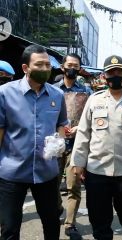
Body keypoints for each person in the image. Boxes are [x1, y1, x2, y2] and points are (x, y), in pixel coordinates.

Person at [70, 55, 122, 240]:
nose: (115, 75)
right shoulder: (94, 100)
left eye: (119, 71)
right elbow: (84, 132)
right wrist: (78, 162)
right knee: (99, 216)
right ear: (104, 76)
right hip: (97, 170)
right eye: (111, 72)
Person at [0, 44, 68, 240]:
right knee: (10, 228)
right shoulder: (5, 93)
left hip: (46, 172)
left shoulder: (57, 95)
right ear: (25, 68)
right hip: (12, 173)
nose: (45, 69)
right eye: (39, 65)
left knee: (51, 223)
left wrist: (60, 141)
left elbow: (61, 124)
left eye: (48, 65)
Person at [53, 53, 92, 240]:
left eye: (76, 66)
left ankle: (70, 224)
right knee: (51, 186)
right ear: (62, 67)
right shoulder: (52, 90)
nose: (72, 69)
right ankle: (59, 207)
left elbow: (92, 117)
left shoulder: (86, 92)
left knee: (74, 186)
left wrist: (80, 127)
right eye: (69, 65)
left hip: (77, 145)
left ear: (79, 69)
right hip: (54, 144)